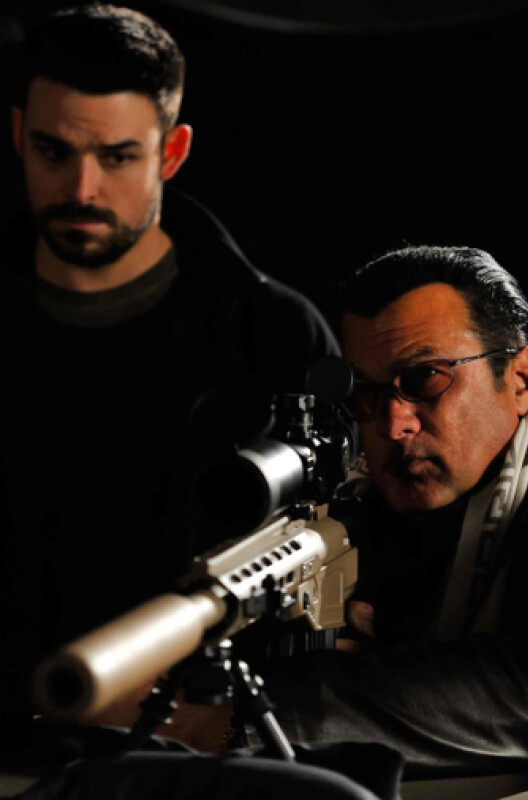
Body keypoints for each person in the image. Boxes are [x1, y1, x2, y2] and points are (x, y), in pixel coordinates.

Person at [0, 2, 340, 749]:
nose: (82, 188)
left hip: (188, 758)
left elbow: (327, 574)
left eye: (118, 157)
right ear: (19, 134)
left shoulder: (273, 337)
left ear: (172, 152)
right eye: (54, 151)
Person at [263, 245, 528, 780]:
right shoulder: (355, 505)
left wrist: (258, 714)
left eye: (425, 379)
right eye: (366, 394)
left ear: (522, 380)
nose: (393, 426)